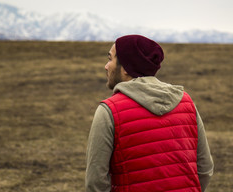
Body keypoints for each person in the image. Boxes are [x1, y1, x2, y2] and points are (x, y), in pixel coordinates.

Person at [86, 35, 214, 192]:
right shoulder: (186, 103)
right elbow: (205, 168)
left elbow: (95, 182)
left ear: (126, 67)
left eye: (110, 59)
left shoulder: (109, 111)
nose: (106, 66)